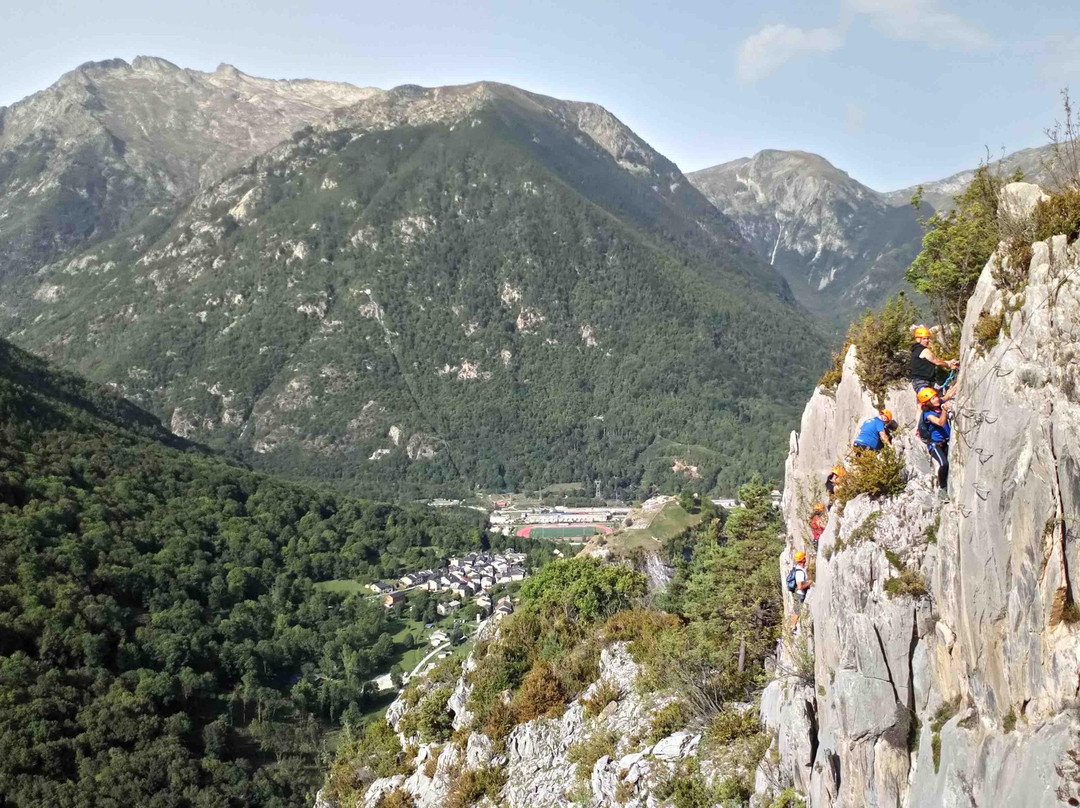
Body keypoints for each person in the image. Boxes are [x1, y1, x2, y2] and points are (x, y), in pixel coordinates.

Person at [917, 387, 951, 500]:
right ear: (927, 403)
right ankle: (942, 488)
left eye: (936, 396)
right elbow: (940, 423)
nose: (936, 399)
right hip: (935, 445)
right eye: (932, 399)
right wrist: (945, 411)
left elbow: (948, 396)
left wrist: (958, 378)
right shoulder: (928, 414)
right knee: (944, 464)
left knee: (949, 464)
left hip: (946, 442)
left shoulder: (938, 404)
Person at [911, 326, 959, 400]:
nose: (927, 341)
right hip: (922, 382)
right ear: (918, 339)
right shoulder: (924, 350)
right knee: (930, 402)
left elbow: (933, 360)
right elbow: (937, 361)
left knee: (926, 403)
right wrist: (949, 365)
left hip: (922, 382)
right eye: (924, 338)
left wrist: (949, 362)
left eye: (927, 338)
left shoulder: (915, 350)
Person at [788, 551, 812, 632]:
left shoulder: (800, 568)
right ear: (802, 560)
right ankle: (793, 626)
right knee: (797, 610)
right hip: (800, 594)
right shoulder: (800, 573)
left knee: (796, 610)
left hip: (798, 594)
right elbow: (800, 586)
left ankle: (793, 626)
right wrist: (808, 583)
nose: (805, 559)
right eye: (804, 558)